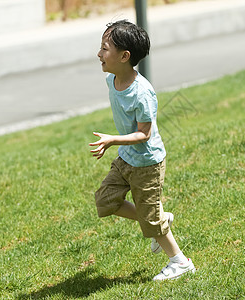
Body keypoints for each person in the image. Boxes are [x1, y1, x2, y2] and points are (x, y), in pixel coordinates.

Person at [89, 20, 195, 281]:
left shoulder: (142, 93)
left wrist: (113, 139)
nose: (99, 54)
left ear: (124, 57)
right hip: (126, 159)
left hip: (147, 163)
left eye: (105, 48)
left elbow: (144, 134)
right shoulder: (112, 80)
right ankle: (158, 218)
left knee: (150, 220)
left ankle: (180, 262)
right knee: (105, 201)